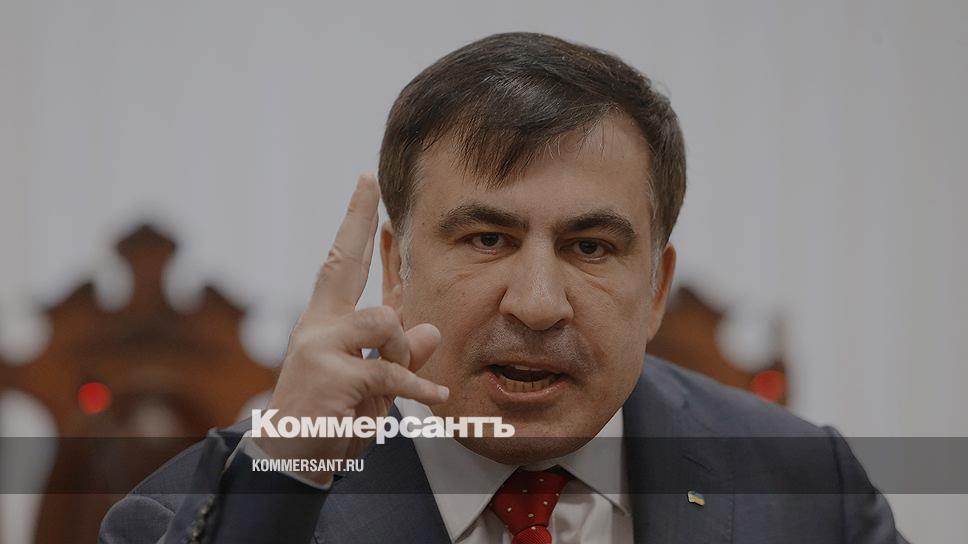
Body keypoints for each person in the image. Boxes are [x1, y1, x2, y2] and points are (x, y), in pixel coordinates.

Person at [99, 32, 906, 543]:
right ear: (397, 270)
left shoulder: (811, 491)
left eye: (590, 247)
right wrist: (283, 485)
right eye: (487, 240)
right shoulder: (198, 517)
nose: (538, 304)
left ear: (657, 288)